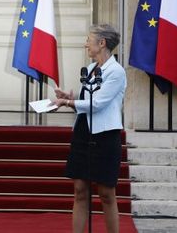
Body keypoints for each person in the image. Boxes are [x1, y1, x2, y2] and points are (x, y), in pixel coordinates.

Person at [53, 24, 127, 233]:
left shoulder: (116, 71)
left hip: (105, 135)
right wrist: (71, 98)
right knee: (79, 190)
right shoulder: (92, 68)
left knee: (106, 192)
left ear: (101, 43)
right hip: (84, 133)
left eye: (89, 39)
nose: (86, 43)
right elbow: (88, 98)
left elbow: (99, 103)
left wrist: (68, 104)